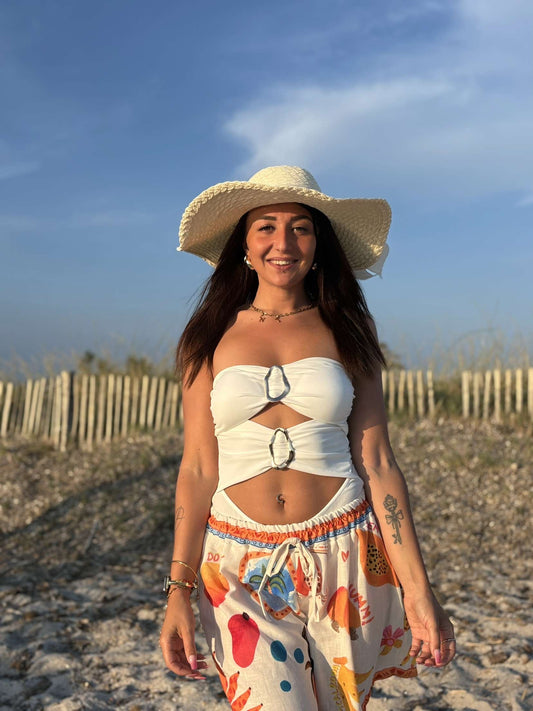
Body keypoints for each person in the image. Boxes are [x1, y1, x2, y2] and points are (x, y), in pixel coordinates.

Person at [160, 166, 455, 710]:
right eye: (266, 227)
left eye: (300, 227)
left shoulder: (349, 328)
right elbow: (198, 468)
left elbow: (378, 462)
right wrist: (178, 590)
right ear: (244, 245)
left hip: (345, 553)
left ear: (318, 245)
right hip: (237, 566)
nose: (284, 242)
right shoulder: (207, 335)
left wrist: (419, 590)